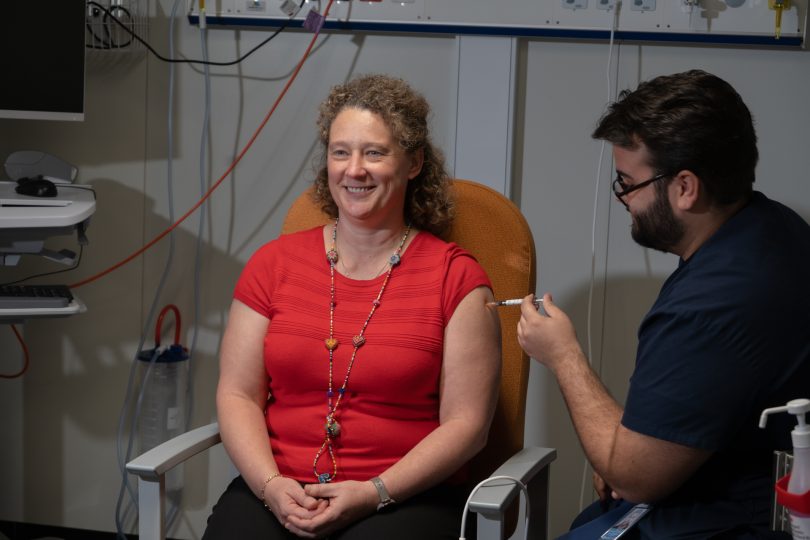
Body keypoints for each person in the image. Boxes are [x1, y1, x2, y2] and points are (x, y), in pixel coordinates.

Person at [202, 74, 501, 540]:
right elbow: (238, 394)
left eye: (375, 153)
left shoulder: (456, 278)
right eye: (340, 152)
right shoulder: (272, 264)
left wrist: (374, 492)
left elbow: (468, 426)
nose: (354, 170)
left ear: (414, 163)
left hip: (402, 497)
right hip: (279, 488)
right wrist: (270, 486)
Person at [518, 69, 810, 538]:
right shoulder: (774, 229)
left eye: (628, 184)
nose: (624, 201)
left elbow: (635, 477)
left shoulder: (710, 307)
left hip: (728, 521)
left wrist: (563, 355)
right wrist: (630, 448)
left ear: (685, 187)